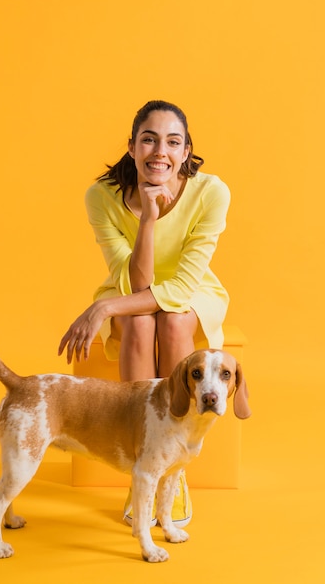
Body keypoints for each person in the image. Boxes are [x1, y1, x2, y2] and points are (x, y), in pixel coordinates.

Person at [58, 99, 231, 527]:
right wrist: (148, 221)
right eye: (149, 140)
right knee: (138, 320)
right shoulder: (101, 197)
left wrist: (103, 308)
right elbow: (136, 285)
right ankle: (147, 459)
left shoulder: (211, 192)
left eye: (173, 142)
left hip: (193, 292)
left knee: (172, 317)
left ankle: (175, 463)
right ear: (132, 147)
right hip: (129, 292)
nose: (160, 152)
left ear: (186, 151)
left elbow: (179, 289)